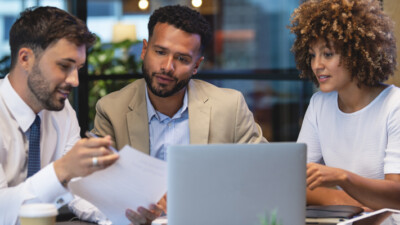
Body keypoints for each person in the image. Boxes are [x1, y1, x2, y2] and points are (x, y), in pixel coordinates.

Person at [92, 4, 267, 225]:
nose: (167, 67)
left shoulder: (229, 106)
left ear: (196, 65)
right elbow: (97, 186)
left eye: (182, 59)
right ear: (144, 50)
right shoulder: (111, 109)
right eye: (160, 52)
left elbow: (262, 172)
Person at [0, 6, 119, 225]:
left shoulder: (62, 112)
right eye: (64, 66)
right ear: (25, 58)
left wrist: (123, 213)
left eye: (78, 68)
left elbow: (79, 189)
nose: (75, 80)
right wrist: (61, 170)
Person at [289, 0, 400, 219]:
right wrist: (354, 204)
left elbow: (396, 195)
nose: (317, 64)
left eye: (327, 54)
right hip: (346, 219)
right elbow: (296, 183)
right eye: (312, 55)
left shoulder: (394, 105)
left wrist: (342, 177)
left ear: (356, 54)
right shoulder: (319, 104)